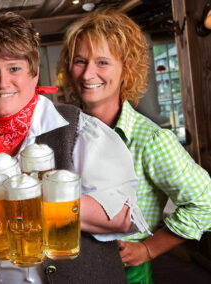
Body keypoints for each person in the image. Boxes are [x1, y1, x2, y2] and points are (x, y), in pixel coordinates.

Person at [0, 12, 150, 283]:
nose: (2, 82)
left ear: (34, 72)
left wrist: (28, 197)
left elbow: (121, 217)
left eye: (14, 68)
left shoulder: (81, 131)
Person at [59, 9, 211, 284]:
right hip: (67, 269)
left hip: (124, 272)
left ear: (126, 70)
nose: (88, 73)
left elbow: (205, 202)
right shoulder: (60, 129)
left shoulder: (150, 140)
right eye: (80, 61)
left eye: (103, 62)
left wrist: (148, 248)